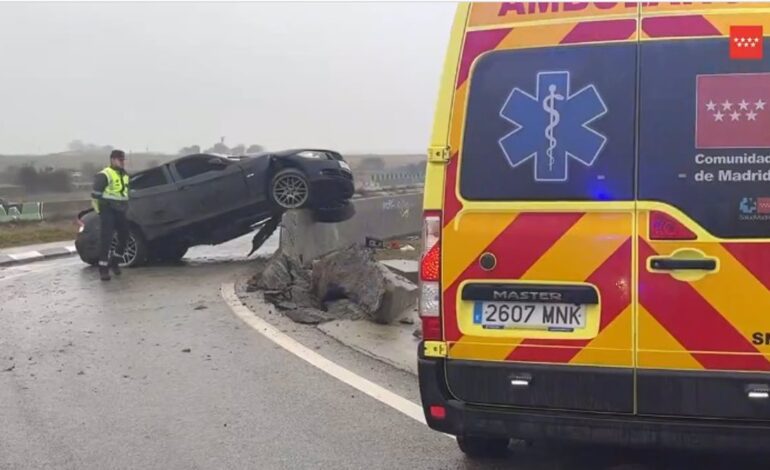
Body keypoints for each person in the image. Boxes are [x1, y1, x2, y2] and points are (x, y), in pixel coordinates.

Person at [91, 150, 130, 281]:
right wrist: (100, 211)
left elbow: (124, 192)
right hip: (107, 210)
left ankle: (115, 261)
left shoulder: (124, 175)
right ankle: (103, 269)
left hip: (121, 210)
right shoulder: (104, 174)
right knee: (106, 239)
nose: (123, 162)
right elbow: (95, 195)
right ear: (113, 160)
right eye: (120, 160)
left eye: (123, 160)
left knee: (124, 236)